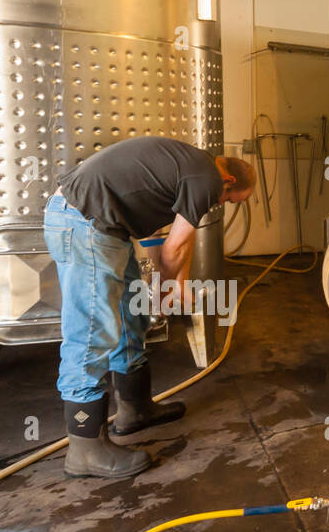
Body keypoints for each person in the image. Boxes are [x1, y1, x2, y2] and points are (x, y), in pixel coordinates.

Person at [43, 136, 257, 479]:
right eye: (230, 200)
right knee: (92, 331)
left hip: (106, 227)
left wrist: (166, 286)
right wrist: (170, 288)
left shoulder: (188, 169)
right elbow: (176, 248)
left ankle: (134, 410)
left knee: (130, 316)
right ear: (228, 181)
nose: (222, 204)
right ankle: (84, 447)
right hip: (84, 224)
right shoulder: (206, 178)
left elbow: (161, 239)